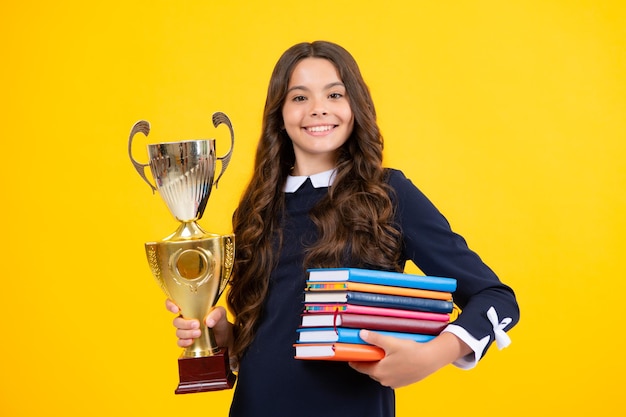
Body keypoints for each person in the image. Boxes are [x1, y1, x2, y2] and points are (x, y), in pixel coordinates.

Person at [167, 40, 520, 417]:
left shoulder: (388, 194)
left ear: (355, 107)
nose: (318, 108)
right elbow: (270, 338)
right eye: (299, 98)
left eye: (334, 94)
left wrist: (433, 355)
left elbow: (497, 298)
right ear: (279, 114)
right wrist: (225, 339)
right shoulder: (255, 208)